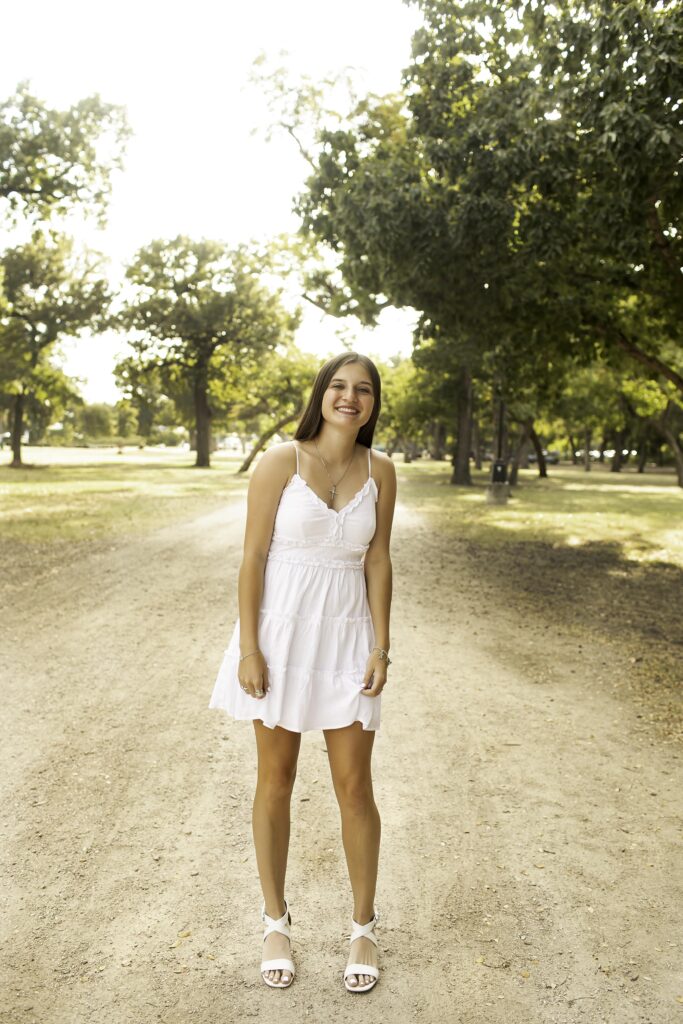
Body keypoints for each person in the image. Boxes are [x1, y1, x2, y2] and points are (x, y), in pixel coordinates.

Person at [208, 351, 397, 993]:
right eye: (339, 387)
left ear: (373, 403)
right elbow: (253, 557)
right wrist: (249, 648)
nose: (350, 398)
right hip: (281, 636)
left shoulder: (382, 470)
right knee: (276, 780)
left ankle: (363, 927)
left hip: (348, 639)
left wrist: (382, 645)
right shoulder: (277, 463)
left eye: (363, 390)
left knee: (354, 786)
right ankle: (275, 922)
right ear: (321, 395)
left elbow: (377, 561)